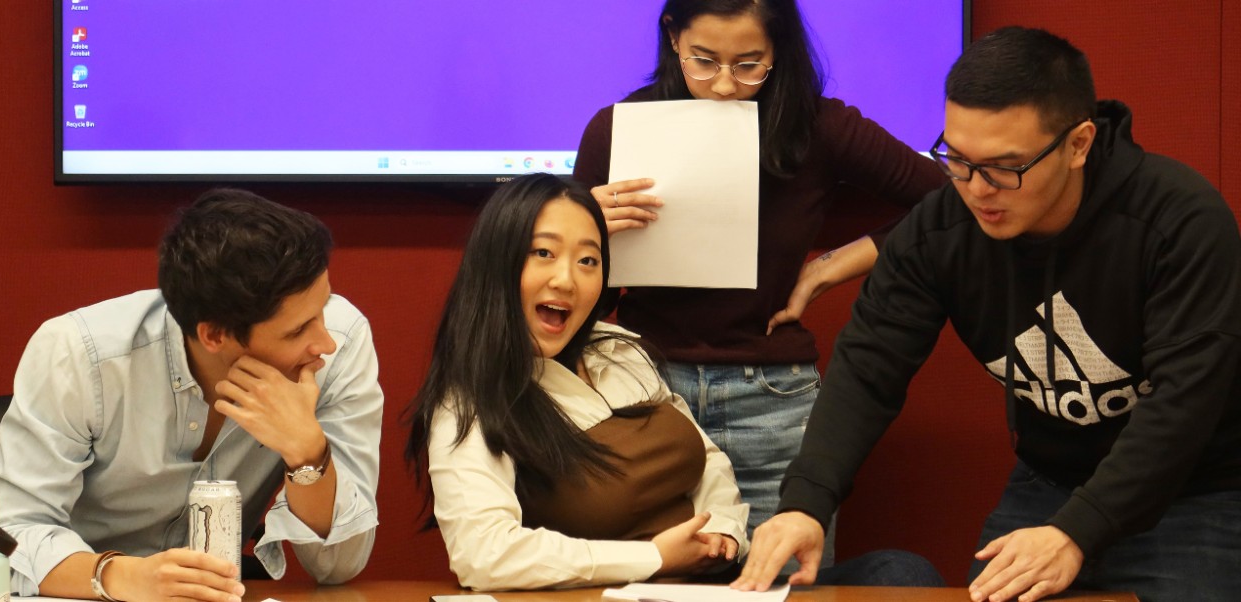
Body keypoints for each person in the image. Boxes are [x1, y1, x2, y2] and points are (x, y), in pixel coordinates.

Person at [734, 26, 1241, 602]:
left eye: (1005, 167)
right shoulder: (939, 229)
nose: (977, 190)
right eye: (957, 159)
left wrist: (1077, 531)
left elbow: (1184, 404)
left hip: (1199, 492)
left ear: (1078, 144)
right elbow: (868, 370)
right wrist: (806, 503)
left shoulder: (1179, 222)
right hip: (1049, 481)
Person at [571, 0, 948, 561]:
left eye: (749, 65)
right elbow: (573, 294)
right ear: (673, 37)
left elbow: (950, 199)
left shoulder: (819, 125)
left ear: (778, 51)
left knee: (777, 586)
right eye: (704, 61)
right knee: (644, 584)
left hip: (771, 400)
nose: (724, 85)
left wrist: (828, 267)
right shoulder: (620, 129)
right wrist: (582, 226)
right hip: (647, 394)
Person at [0, 189, 384, 601]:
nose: (325, 343)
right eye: (297, 331)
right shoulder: (81, 355)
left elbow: (338, 565)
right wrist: (124, 577)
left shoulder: (341, 344)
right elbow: (6, 537)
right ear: (215, 335)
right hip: (89, 592)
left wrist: (307, 453)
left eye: (323, 308)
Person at [404, 173, 749, 590]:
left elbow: (707, 460)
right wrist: (653, 558)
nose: (566, 280)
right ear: (497, 262)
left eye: (588, 260)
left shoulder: (618, 349)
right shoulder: (469, 401)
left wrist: (725, 528)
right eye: (544, 253)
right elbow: (484, 554)